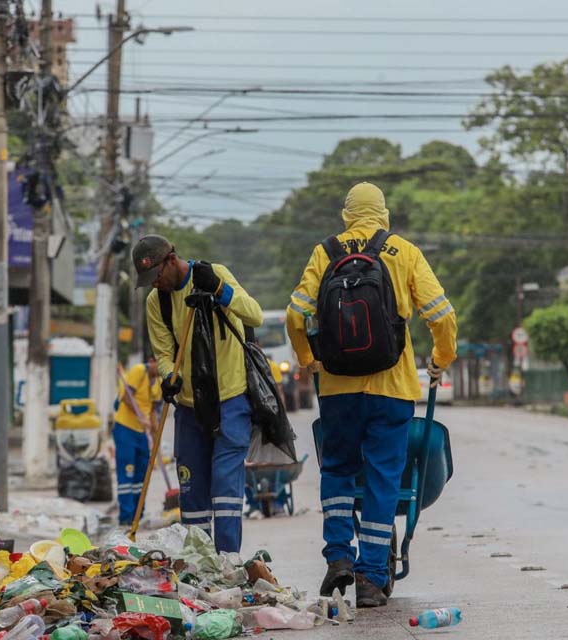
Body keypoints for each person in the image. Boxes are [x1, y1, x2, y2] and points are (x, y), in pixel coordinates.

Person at [286, 182, 457, 607]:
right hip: (391, 388)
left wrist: (309, 360)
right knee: (383, 477)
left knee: (338, 469)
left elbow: (295, 314)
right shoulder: (403, 251)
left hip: (338, 387)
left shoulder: (325, 252)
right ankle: (371, 577)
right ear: (384, 213)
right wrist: (440, 359)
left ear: (346, 214)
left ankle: (338, 556)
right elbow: (442, 315)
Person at [133, 234, 263, 553]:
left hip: (231, 400)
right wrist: (169, 376)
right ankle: (199, 564)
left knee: (226, 488)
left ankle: (228, 561)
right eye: (149, 280)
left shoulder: (214, 274)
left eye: (157, 275)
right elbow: (164, 352)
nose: (155, 284)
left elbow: (254, 314)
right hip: (190, 407)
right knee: (192, 495)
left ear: (171, 259)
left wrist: (219, 289)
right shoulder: (156, 302)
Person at [113, 356, 162, 526]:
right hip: (125, 429)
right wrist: (140, 416)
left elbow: (153, 411)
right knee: (127, 472)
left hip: (142, 433)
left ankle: (138, 515)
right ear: (152, 361)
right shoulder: (139, 371)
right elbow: (127, 397)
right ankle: (126, 516)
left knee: (142, 474)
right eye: (160, 364)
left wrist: (156, 437)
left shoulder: (158, 382)